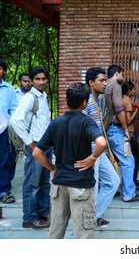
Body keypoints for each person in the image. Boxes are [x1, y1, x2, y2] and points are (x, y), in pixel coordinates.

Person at [32, 83, 107, 239]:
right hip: (81, 185)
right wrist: (92, 158)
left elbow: (37, 152)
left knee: (55, 233)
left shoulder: (56, 123)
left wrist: (52, 167)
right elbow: (101, 142)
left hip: (59, 185)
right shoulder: (87, 122)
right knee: (82, 235)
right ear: (84, 103)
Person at [10, 66, 52, 229]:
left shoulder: (44, 96)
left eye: (43, 79)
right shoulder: (29, 98)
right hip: (35, 146)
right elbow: (15, 121)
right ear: (32, 81)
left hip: (45, 147)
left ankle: (42, 213)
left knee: (44, 183)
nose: (41, 82)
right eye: (37, 79)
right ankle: (29, 218)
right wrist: (30, 143)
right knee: (32, 184)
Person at [83, 67, 120, 226]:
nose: (105, 83)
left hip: (99, 152)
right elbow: (79, 126)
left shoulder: (97, 100)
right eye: (102, 80)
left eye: (106, 80)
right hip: (90, 153)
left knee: (113, 181)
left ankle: (93, 216)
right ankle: (85, 224)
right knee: (93, 189)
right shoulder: (86, 102)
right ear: (91, 82)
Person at [105, 64, 139, 202]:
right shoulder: (115, 86)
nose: (123, 76)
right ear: (117, 73)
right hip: (115, 130)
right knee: (128, 160)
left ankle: (108, 189)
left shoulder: (104, 86)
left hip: (105, 129)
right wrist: (126, 129)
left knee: (106, 161)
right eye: (122, 73)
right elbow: (119, 109)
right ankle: (129, 194)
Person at [0, 58, 18, 204]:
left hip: (4, 130)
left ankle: (4, 191)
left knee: (5, 161)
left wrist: (9, 124)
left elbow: (14, 109)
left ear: (3, 71)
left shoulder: (9, 89)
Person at [121, 81, 139, 184]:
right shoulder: (128, 101)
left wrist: (136, 105)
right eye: (133, 89)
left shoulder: (123, 99)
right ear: (129, 91)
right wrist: (137, 111)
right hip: (130, 132)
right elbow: (129, 120)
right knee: (134, 158)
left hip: (123, 132)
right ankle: (132, 182)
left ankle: (131, 181)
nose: (135, 91)